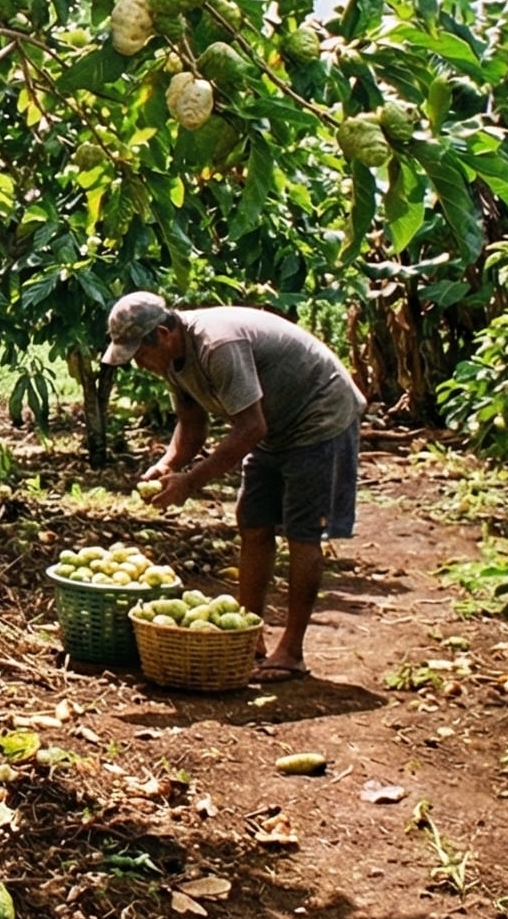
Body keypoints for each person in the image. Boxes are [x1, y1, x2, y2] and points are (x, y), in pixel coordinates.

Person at [102, 291, 365, 683]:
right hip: (274, 427)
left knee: (301, 531)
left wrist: (190, 482)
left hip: (318, 414)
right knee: (253, 520)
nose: (139, 365)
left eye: (139, 353)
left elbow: (251, 427)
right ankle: (249, 632)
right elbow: (191, 426)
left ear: (163, 333)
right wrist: (169, 463)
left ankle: (291, 652)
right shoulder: (174, 361)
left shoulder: (217, 344)